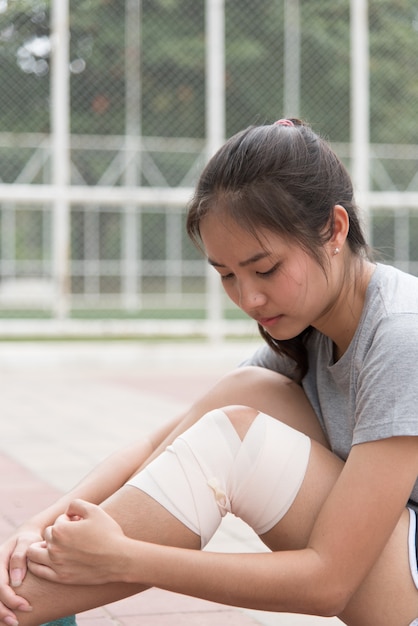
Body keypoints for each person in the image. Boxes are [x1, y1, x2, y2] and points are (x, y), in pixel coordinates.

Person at [0, 118, 417, 626]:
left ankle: (28, 601)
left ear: (334, 228)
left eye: (264, 269)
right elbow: (162, 444)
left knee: (237, 441)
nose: (249, 298)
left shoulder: (401, 334)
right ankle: (33, 587)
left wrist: (121, 556)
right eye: (227, 276)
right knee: (246, 394)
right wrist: (37, 528)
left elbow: (326, 584)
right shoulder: (308, 326)